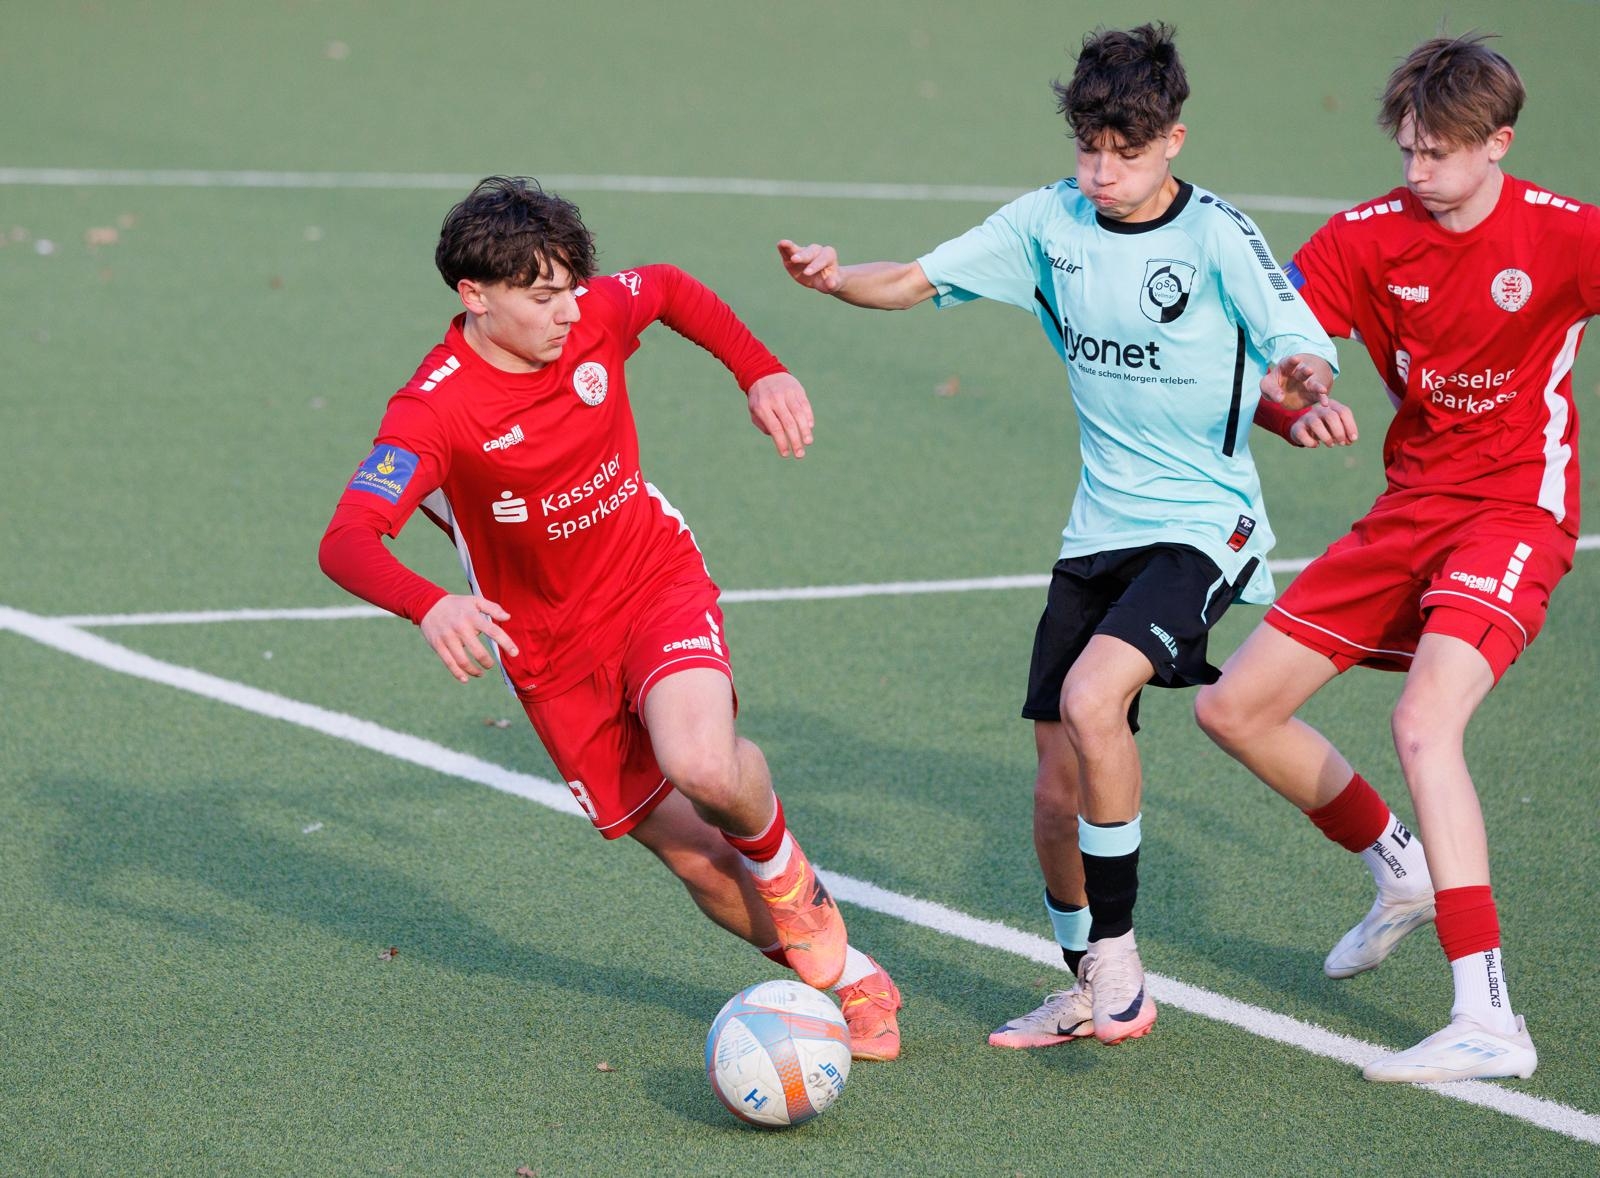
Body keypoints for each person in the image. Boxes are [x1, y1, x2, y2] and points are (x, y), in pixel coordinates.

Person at [778, 24, 1337, 1048]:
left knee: (1092, 697)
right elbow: (910, 279)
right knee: (1053, 789)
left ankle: (1118, 956)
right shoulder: (1048, 222)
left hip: (1203, 524)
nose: (1102, 172)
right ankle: (1086, 981)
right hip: (1098, 530)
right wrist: (834, 277)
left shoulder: (1216, 233)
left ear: (1173, 141)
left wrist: (1307, 378)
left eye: (1126, 152)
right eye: (1089, 149)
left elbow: (1295, 336)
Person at [319, 176, 902, 1060]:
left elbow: (666, 287)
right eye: (542, 297)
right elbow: (347, 539)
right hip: (552, 655)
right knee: (698, 861)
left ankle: (787, 872)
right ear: (474, 296)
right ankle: (854, 980)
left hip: (649, 581)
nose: (567, 313)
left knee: (702, 763)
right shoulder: (434, 409)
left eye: (571, 289)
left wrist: (760, 369)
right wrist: (429, 602)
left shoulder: (589, 315)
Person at [1196, 34, 1597, 1083]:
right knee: (1233, 708)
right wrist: (1294, 402)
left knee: (1424, 720)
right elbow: (1262, 361)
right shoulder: (1364, 238)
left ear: (1497, 143)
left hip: (1514, 510)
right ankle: (1400, 868)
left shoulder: (1565, 233)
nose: (1414, 171)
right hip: (1409, 510)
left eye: (1437, 153)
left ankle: (1487, 1015)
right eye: (1407, 149)